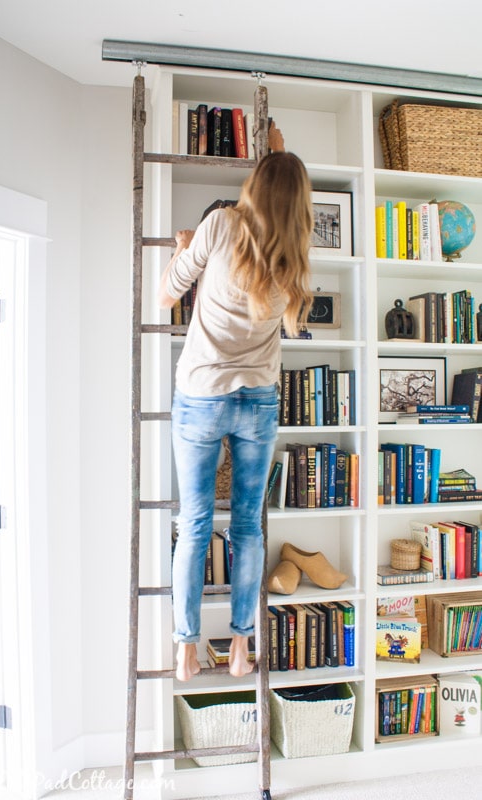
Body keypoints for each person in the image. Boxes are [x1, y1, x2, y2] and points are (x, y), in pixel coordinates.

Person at [158, 150, 313, 681]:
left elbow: (164, 296)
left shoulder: (220, 224)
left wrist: (184, 250)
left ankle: (186, 647)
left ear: (253, 184)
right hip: (258, 400)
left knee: (194, 524)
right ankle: (242, 646)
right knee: (248, 526)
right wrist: (279, 142)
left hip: (202, 394)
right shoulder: (294, 254)